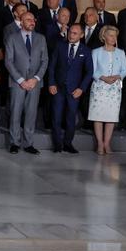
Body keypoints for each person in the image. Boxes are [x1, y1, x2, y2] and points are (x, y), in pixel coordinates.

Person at [5, 10, 48, 154]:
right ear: (21, 22)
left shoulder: (41, 38)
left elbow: (44, 61)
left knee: (31, 113)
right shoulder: (12, 38)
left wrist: (36, 79)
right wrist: (21, 80)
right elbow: (9, 62)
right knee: (15, 112)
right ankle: (14, 143)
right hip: (18, 82)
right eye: (28, 19)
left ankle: (29, 143)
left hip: (35, 82)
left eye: (33, 19)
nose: (32, 22)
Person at [47, 23, 93, 154]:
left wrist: (81, 89)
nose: (71, 35)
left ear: (82, 35)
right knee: (56, 116)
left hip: (74, 91)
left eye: (74, 33)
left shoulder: (86, 50)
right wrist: (51, 83)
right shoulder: (60, 46)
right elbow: (52, 67)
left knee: (71, 117)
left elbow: (89, 72)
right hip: (58, 89)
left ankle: (68, 143)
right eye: (70, 32)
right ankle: (57, 145)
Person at [89, 25, 126, 155]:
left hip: (114, 88)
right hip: (99, 86)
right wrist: (103, 77)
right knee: (98, 116)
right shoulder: (96, 52)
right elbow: (92, 71)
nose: (113, 38)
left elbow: (125, 70)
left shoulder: (120, 52)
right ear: (104, 36)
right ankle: (100, 144)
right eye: (110, 35)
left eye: (115, 35)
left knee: (111, 117)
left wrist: (117, 77)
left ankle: (107, 143)